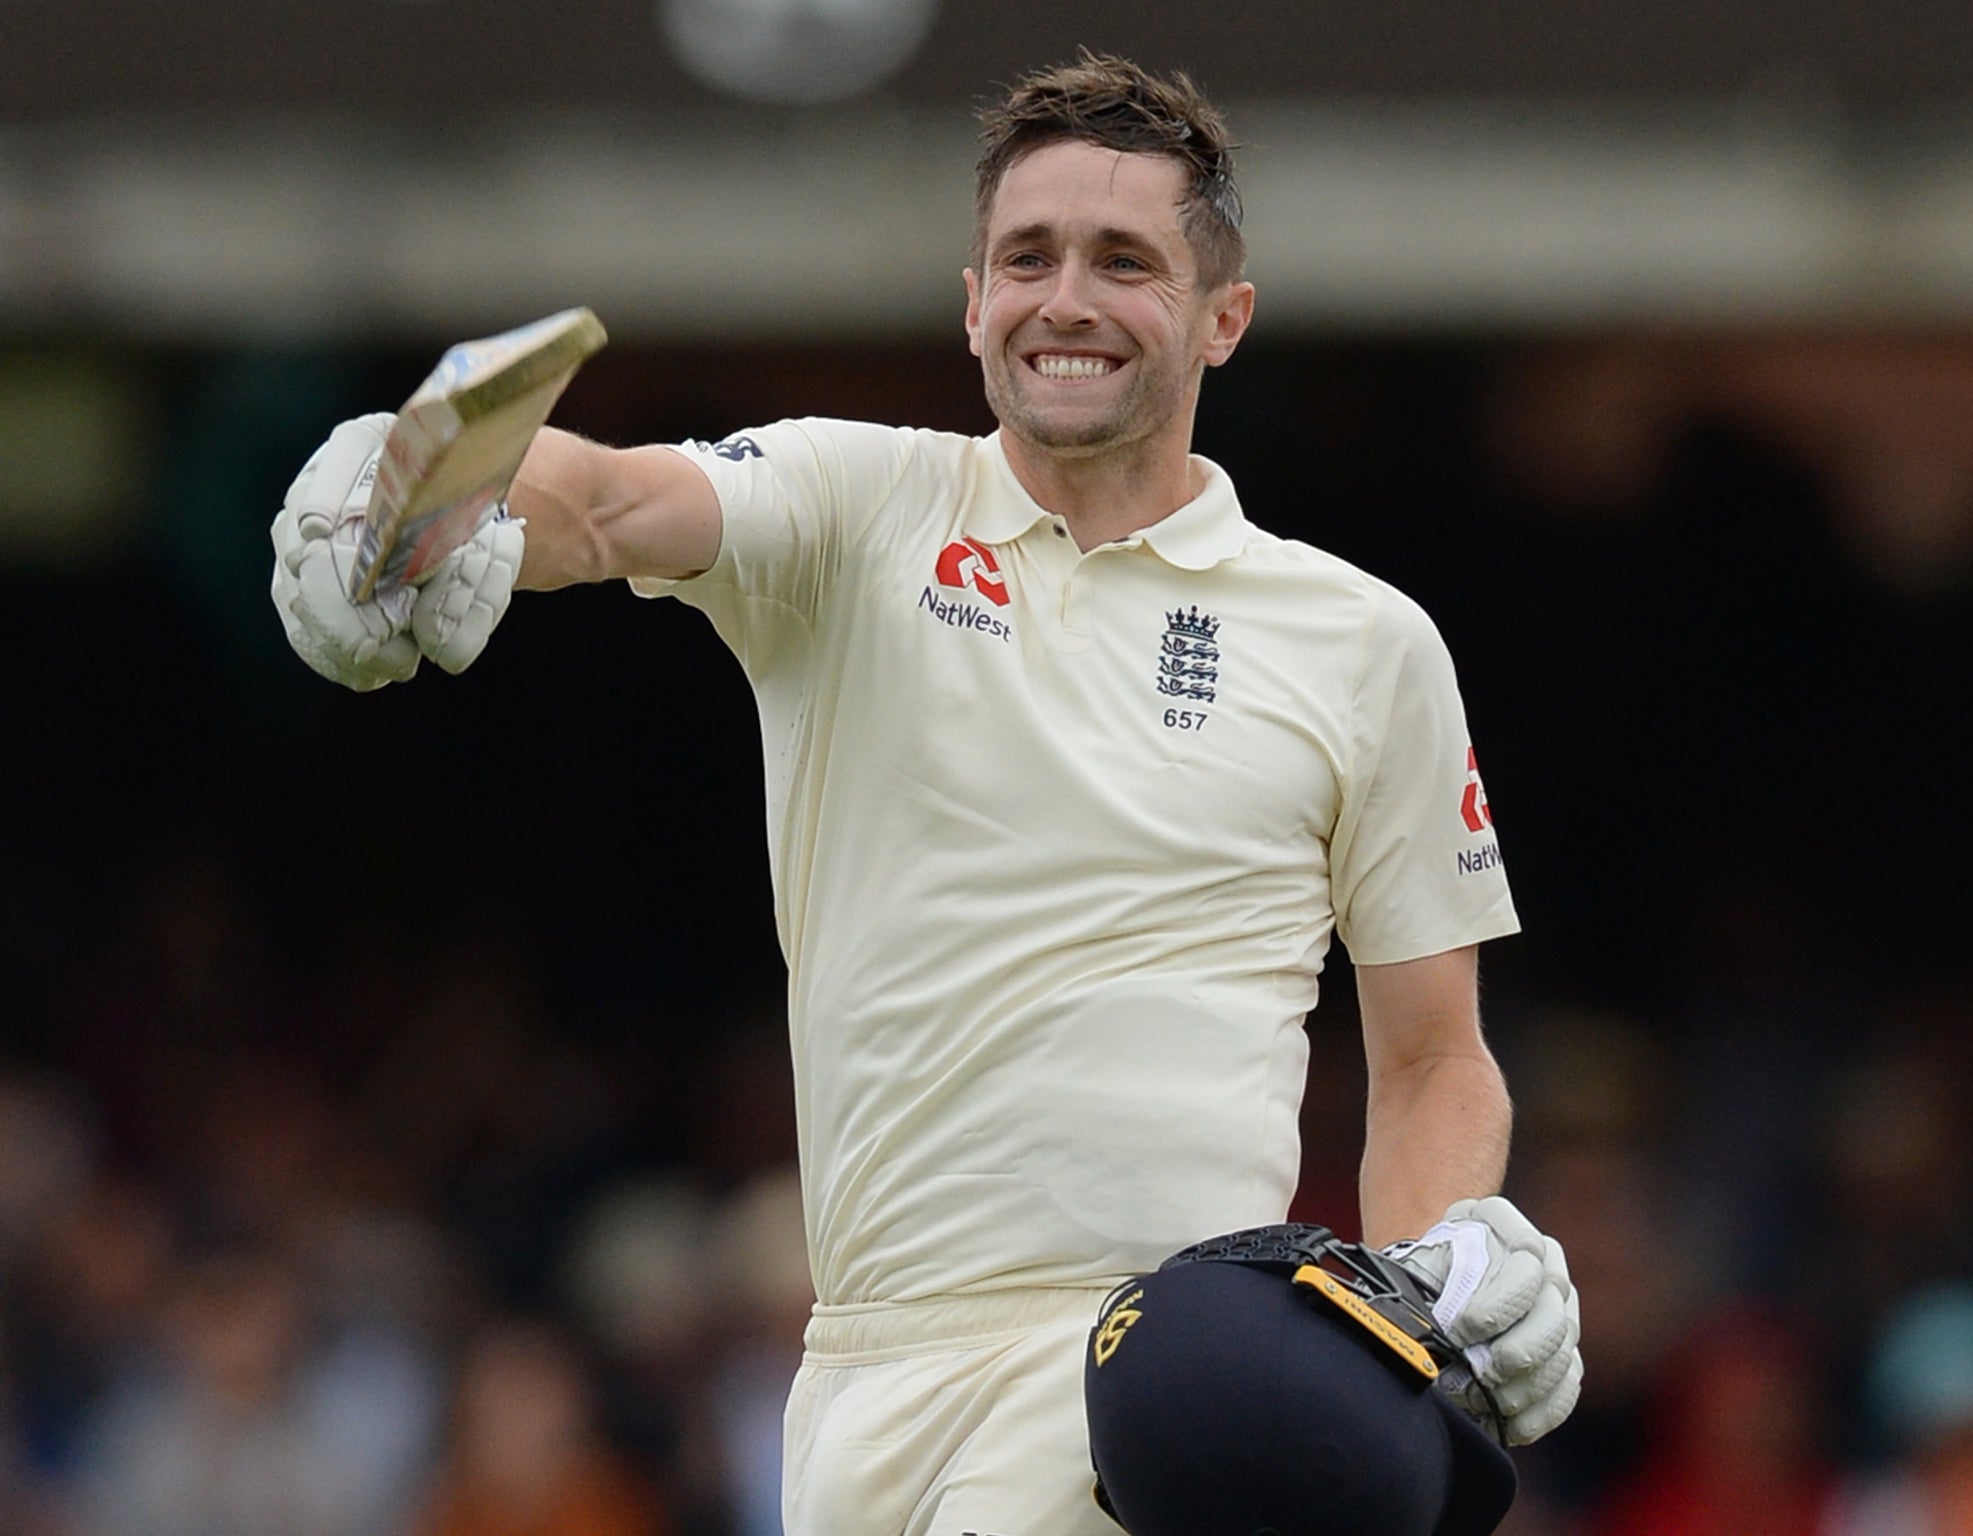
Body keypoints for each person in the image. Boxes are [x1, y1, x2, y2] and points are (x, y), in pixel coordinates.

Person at [269, 50, 1582, 1535]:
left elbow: (1428, 1060)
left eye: (1125, 263)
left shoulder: (1363, 640)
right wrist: (413, 491)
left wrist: (1430, 1282)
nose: (1065, 300)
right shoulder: (859, 505)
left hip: (1136, 1378)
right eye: (1028, 258)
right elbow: (613, 497)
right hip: (857, 1378)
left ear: (1227, 320)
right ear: (972, 303)